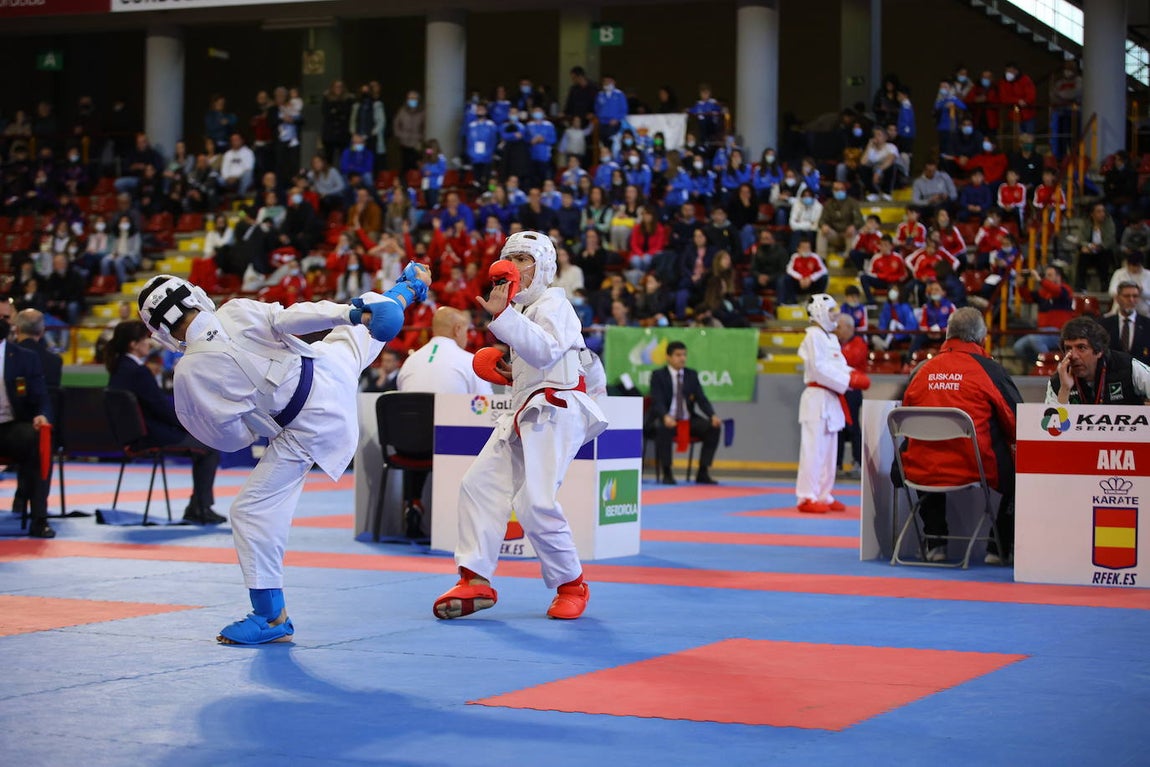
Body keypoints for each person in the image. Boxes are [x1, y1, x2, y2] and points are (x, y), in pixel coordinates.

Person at [135, 262, 430, 644]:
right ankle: (407, 289)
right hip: (326, 370)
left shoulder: (189, 374)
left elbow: (228, 439)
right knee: (363, 326)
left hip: (307, 428)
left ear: (159, 332)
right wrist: (351, 312)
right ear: (195, 296)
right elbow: (293, 317)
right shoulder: (235, 310)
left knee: (250, 510)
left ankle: (271, 617)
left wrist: (262, 425)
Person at [432, 231, 606, 622]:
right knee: (477, 485)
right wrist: (511, 373)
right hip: (524, 407)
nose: (513, 267)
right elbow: (536, 360)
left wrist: (502, 316)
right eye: (510, 258)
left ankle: (572, 584)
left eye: (524, 258)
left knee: (536, 502)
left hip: (557, 407)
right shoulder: (522, 311)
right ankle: (474, 577)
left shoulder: (554, 303)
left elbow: (547, 351)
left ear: (544, 266)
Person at [899, 307, 1021, 564]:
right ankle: (997, 548)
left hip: (917, 469)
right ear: (981, 339)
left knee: (924, 448)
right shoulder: (990, 370)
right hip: (973, 467)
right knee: (1025, 471)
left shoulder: (920, 371)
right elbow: (1017, 421)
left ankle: (935, 540)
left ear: (947, 335)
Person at [105, 320, 224, 525]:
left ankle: (198, 506)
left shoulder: (118, 369)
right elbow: (161, 408)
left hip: (133, 436)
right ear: (134, 344)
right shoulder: (138, 372)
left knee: (204, 446)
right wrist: (190, 425)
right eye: (144, 339)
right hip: (151, 436)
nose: (149, 343)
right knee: (210, 447)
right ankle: (200, 508)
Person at [394, 307, 493, 538]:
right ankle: (466, 519)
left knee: (418, 431)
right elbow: (488, 406)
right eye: (466, 331)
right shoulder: (470, 362)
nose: (467, 336)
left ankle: (413, 502)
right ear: (458, 329)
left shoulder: (410, 361)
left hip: (404, 446)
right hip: (450, 448)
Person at [796, 295, 870, 513]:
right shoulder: (812, 336)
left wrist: (854, 374)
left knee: (829, 450)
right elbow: (819, 369)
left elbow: (839, 365)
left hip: (832, 398)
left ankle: (824, 494)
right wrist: (849, 381)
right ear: (818, 311)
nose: (835, 318)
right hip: (817, 396)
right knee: (813, 449)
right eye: (831, 313)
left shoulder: (831, 338)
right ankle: (806, 496)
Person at [0, 299, 55, 538]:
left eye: (4, 318)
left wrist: (41, 415)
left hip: (9, 427)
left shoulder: (23, 357)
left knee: (38, 440)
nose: (2, 322)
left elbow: (41, 396)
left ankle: (39, 519)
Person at [646, 340, 721, 486]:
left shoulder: (691, 375)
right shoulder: (658, 375)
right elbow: (657, 400)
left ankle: (703, 471)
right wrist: (665, 416)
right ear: (668, 357)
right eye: (678, 355)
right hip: (667, 418)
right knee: (664, 429)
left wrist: (712, 415)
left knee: (713, 428)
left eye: (684, 355)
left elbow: (701, 398)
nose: (682, 358)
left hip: (687, 418)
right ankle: (667, 472)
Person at [1049, 316, 1150, 406]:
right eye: (1068, 348)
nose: (1073, 356)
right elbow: (1052, 425)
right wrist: (1065, 389)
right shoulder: (1058, 380)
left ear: (1099, 351)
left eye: (1081, 347)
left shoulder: (1127, 366)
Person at [834, 314, 866, 479]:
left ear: (849, 327)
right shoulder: (835, 343)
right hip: (838, 391)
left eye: (839, 327)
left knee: (853, 428)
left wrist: (835, 359)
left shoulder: (859, 343)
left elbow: (848, 361)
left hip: (852, 391)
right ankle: (836, 463)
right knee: (837, 428)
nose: (837, 330)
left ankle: (858, 462)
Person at [1100, 282, 1150, 366]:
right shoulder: (1104, 324)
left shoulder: (1148, 324)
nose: (1131, 300)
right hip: (1112, 374)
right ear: (1117, 298)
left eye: (1135, 296)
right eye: (1127, 296)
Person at [14, 309, 62, 389]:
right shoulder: (55, 361)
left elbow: (20, 391)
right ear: (42, 332)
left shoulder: (7, 356)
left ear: (17, 329)